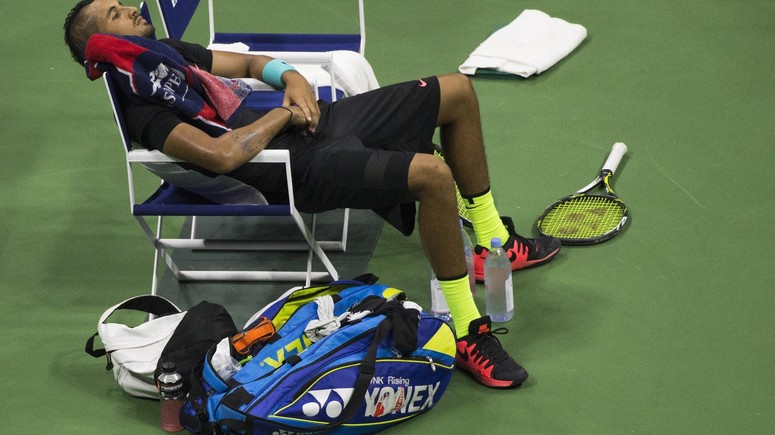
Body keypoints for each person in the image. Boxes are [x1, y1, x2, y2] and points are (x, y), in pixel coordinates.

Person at [65, 0, 561, 388]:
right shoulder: (147, 110)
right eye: (115, 14)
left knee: (457, 91)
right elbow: (222, 155)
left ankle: (491, 243)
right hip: (292, 169)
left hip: (308, 128)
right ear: (103, 45)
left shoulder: (167, 56)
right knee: (432, 175)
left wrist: (293, 79)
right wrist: (285, 112)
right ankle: (467, 330)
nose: (132, 9)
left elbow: (250, 62)